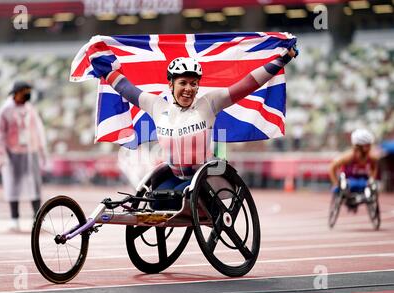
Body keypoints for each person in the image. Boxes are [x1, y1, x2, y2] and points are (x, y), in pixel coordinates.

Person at [104, 46, 298, 208]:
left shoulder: (209, 103)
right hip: (173, 176)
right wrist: (104, 69)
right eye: (183, 83)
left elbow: (247, 84)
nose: (189, 88)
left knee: (173, 198)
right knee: (153, 202)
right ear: (171, 84)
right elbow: (126, 89)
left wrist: (281, 61)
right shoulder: (156, 105)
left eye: (193, 83)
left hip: (205, 179)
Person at [0, 81, 48, 231]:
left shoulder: (30, 109)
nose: (28, 95)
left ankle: (37, 219)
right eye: (25, 91)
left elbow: (38, 130)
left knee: (35, 186)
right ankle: (14, 219)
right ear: (16, 93)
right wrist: (1, 156)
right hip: (13, 153)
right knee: (13, 185)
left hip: (31, 152)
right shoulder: (5, 110)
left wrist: (42, 150)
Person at [329, 128, 379, 205]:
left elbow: (374, 167)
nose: (370, 147)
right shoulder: (349, 157)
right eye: (367, 145)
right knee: (347, 186)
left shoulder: (372, 157)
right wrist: (336, 183)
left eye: (370, 145)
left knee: (374, 187)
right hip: (349, 181)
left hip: (363, 181)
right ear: (359, 146)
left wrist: (372, 178)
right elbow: (332, 167)